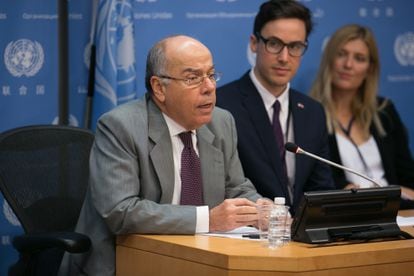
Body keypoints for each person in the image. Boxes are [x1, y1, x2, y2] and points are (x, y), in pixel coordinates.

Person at [59, 35, 262, 276]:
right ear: (159, 87)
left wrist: (265, 210)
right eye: (193, 78)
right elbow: (120, 211)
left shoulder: (221, 122)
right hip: (125, 263)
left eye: (211, 75)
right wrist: (209, 218)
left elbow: (237, 187)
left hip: (200, 260)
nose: (209, 87)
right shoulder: (120, 126)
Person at [216, 0, 335, 213]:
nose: (284, 57)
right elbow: (221, 187)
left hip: (302, 237)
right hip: (247, 234)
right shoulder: (221, 105)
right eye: (274, 43)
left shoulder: (312, 111)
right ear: (254, 43)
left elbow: (321, 188)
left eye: (295, 47)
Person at [309, 24, 414, 209]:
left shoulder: (384, 111)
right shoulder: (309, 114)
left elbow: (408, 175)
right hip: (347, 213)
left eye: (359, 58)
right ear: (329, 59)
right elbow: (316, 183)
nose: (348, 65)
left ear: (370, 68)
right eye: (341, 54)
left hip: (398, 211)